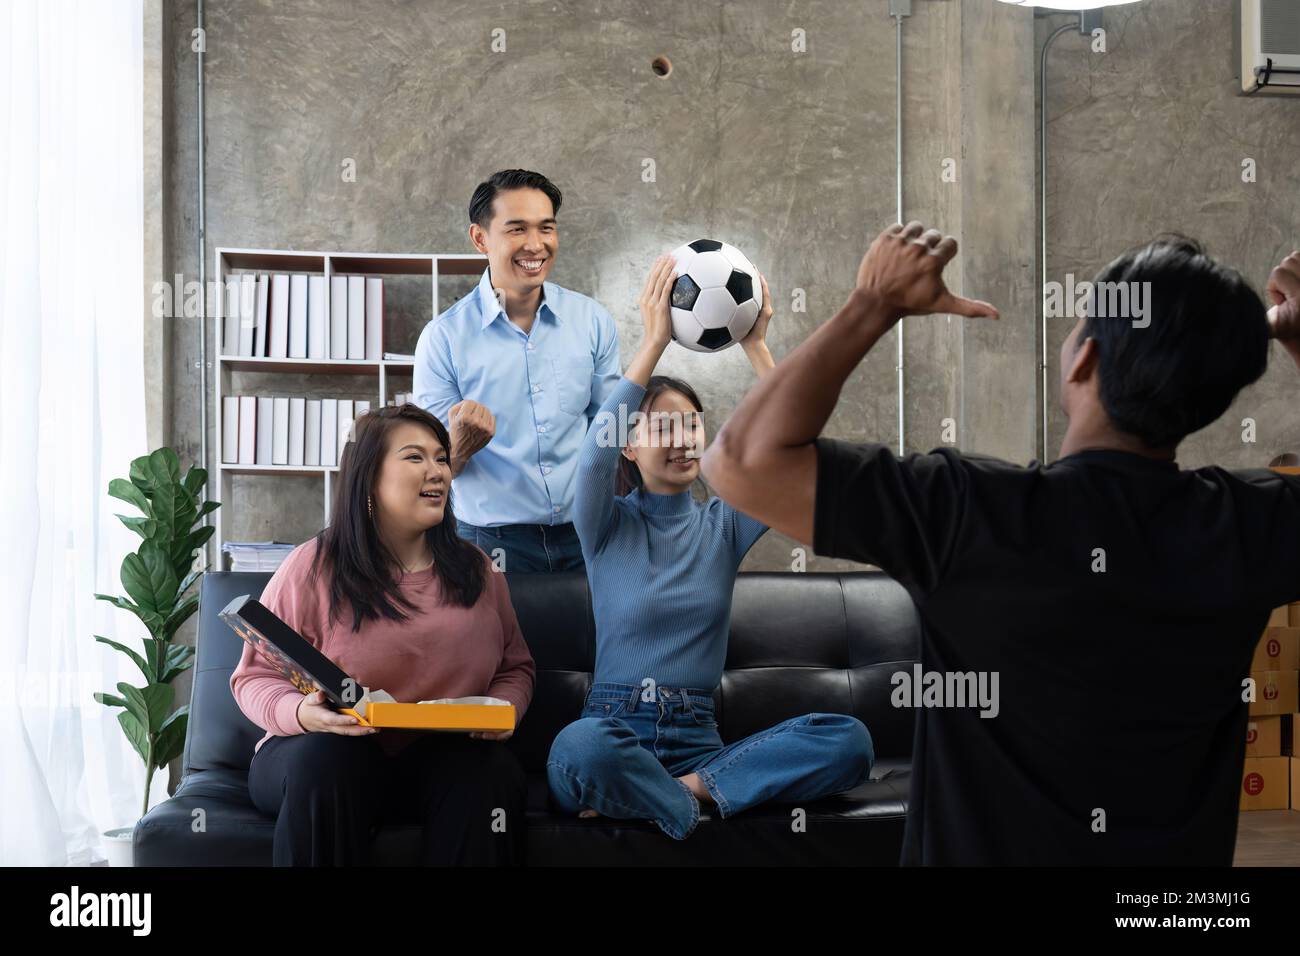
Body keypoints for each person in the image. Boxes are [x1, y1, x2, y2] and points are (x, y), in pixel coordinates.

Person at [700, 221, 1300, 865]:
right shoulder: (1250, 525)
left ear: (1085, 360)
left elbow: (738, 463)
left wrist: (874, 304)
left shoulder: (971, 511)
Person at [545, 255, 874, 839]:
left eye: (691, 425)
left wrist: (758, 348)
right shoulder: (603, 524)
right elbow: (593, 452)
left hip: (700, 744)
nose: (682, 441)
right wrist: (653, 344)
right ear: (629, 445)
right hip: (614, 727)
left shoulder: (724, 523)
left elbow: (800, 454)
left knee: (849, 740)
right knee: (578, 747)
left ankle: (678, 797)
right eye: (662, 429)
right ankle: (686, 799)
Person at [230, 404, 536, 865]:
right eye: (415, 458)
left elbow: (516, 667)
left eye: (440, 458)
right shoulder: (313, 565)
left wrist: (504, 710)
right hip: (326, 753)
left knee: (489, 773)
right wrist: (302, 713)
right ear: (369, 478)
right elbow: (252, 678)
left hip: (440, 760)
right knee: (327, 762)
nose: (436, 471)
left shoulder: (478, 569)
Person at [412, 169, 621, 573]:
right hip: (490, 545)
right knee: (495, 640)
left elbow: (608, 433)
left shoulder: (593, 321)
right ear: (480, 239)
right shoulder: (443, 339)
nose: (536, 245)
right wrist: (459, 447)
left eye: (546, 228)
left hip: (588, 535)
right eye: (517, 229)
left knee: (589, 640)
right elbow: (430, 474)